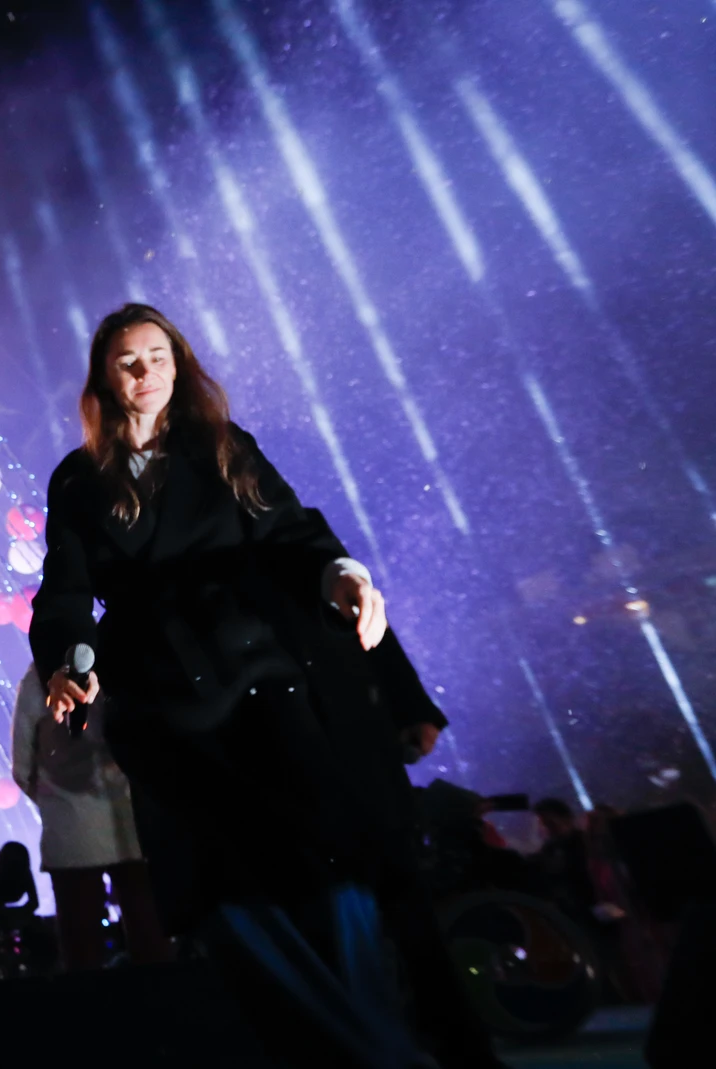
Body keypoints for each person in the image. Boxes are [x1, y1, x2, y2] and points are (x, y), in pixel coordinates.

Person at [28, 303, 473, 1069]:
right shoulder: (78, 478)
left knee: (319, 859)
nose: (146, 373)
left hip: (260, 680)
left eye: (159, 356)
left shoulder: (224, 448)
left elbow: (293, 532)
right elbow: (65, 588)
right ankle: (303, 1044)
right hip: (161, 704)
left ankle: (376, 1042)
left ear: (180, 363)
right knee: (216, 889)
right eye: (129, 359)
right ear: (104, 372)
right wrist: (73, 658)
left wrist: (342, 573)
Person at [11, 665, 169, 970]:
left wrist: (51, 800)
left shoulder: (36, 680)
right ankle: (164, 1013)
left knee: (81, 956)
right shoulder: (120, 661)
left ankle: (90, 1016)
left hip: (70, 828)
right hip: (134, 822)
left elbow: (21, 769)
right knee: (153, 944)